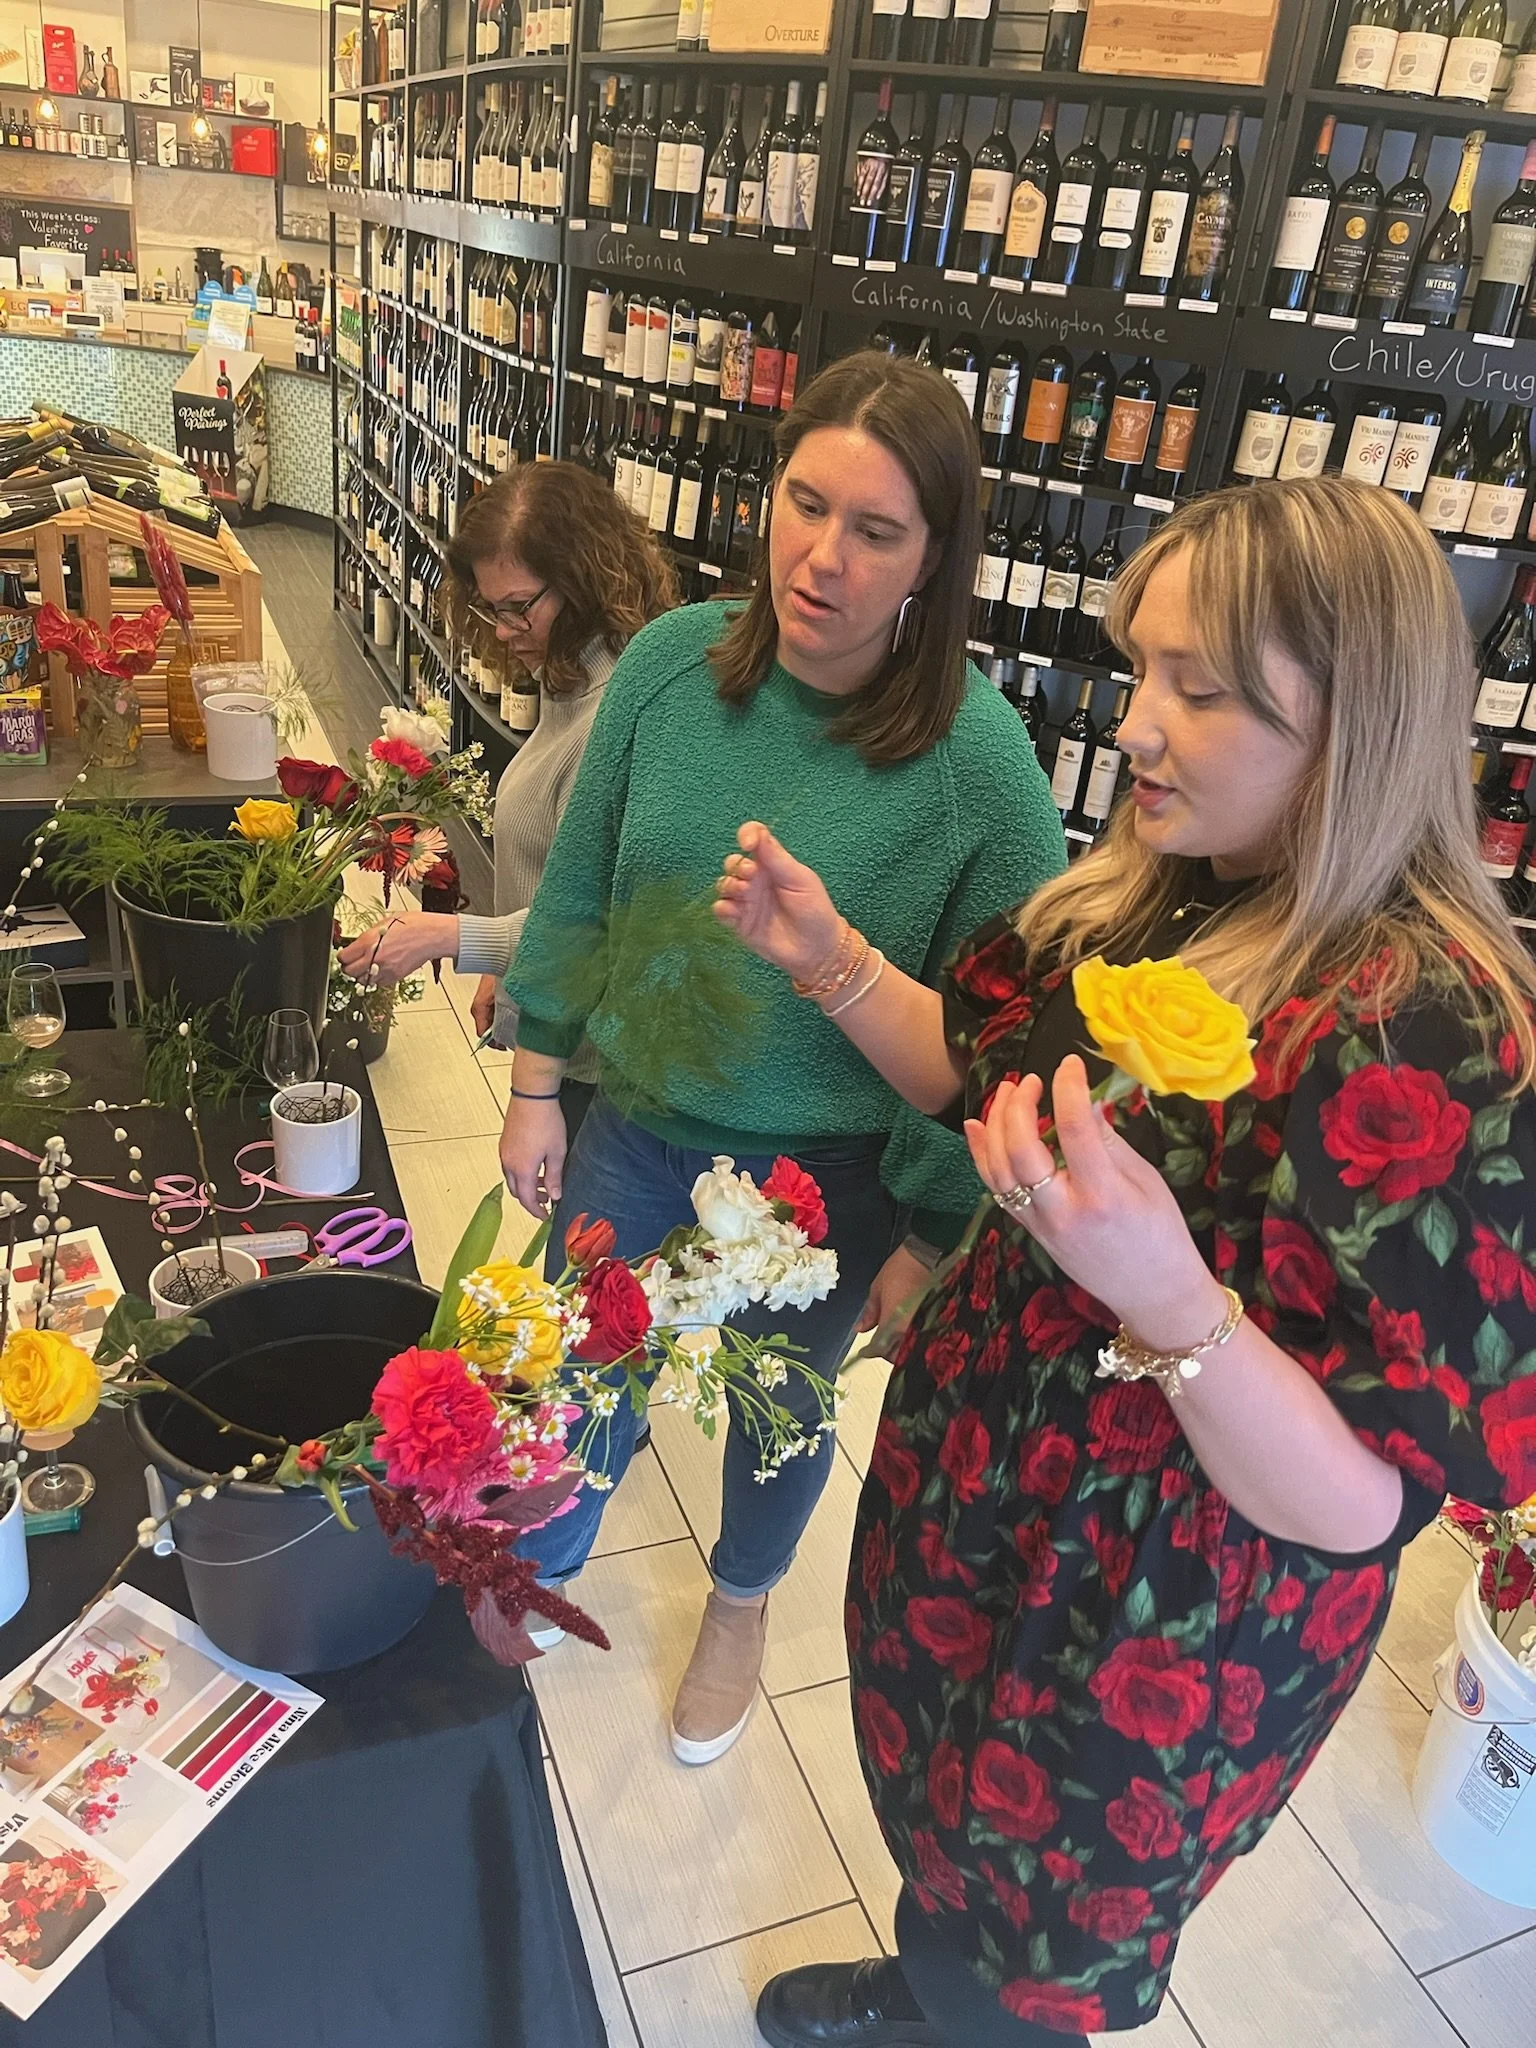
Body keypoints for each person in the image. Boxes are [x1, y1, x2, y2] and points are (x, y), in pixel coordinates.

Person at [714, 476, 1536, 2048]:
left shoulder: (1438, 1033)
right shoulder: (1160, 894)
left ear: (1354, 722)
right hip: (983, 1505)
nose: (1138, 728)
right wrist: (833, 962)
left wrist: (1169, 1295)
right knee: (943, 1844)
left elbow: (1369, 1507)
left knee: (1027, 1949)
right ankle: (924, 1984)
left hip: (1147, 1622)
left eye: (1202, 691)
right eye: (1142, 669)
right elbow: (980, 1082)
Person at [501, 352, 1065, 1760]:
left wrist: (933, 1231)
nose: (823, 555)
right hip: (636, 1125)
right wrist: (533, 1079)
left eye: (876, 531)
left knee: (781, 1415)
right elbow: (578, 888)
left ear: (936, 557)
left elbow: (999, 1035)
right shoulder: (667, 672)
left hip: (831, 1181)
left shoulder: (983, 774)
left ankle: (742, 1601)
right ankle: (536, 1564)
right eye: (805, 503)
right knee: (573, 1377)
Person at [338, 461, 678, 1140]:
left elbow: (613, 923)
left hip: (594, 1078)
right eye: (490, 608)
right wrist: (511, 970)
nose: (500, 628)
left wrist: (454, 938)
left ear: (585, 580)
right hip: (558, 1037)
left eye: (519, 606)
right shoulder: (568, 683)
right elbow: (557, 871)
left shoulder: (620, 717)